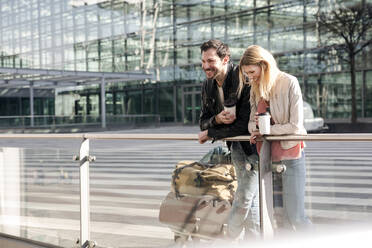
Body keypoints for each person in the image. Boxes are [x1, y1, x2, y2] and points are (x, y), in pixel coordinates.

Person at [241, 45, 311, 230]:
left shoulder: (289, 82)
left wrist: (267, 131)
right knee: (279, 219)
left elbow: (296, 126)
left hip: (291, 155)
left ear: (264, 65)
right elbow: (249, 123)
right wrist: (255, 127)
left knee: (296, 217)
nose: (250, 77)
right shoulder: (254, 88)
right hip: (268, 159)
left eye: (251, 72)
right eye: (246, 74)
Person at [198, 39, 260, 239]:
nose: (206, 66)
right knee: (251, 203)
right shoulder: (208, 85)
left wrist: (211, 133)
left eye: (210, 61)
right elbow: (203, 122)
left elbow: (243, 124)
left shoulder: (243, 78)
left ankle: (229, 239)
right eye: (203, 61)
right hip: (236, 147)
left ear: (225, 59)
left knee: (244, 199)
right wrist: (216, 119)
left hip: (254, 147)